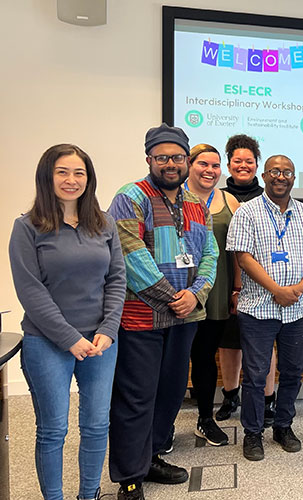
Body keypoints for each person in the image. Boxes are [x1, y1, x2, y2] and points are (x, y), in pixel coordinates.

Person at [107, 124, 218, 500]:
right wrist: (174, 296)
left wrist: (196, 294)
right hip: (141, 318)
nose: (170, 164)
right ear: (149, 160)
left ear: (186, 160)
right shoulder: (130, 196)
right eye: (162, 157)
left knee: (170, 393)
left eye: (176, 157)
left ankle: (152, 456)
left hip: (186, 317)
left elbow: (210, 255)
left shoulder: (196, 204)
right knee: (136, 396)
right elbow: (130, 254)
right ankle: (130, 478)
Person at [9, 144, 126, 500]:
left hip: (101, 343)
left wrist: (107, 330)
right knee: (53, 429)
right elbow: (31, 292)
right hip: (47, 343)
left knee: (96, 426)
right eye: (62, 172)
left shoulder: (104, 223)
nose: (71, 180)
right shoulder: (27, 227)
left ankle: (89, 495)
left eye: (79, 173)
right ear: (47, 176)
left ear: (89, 179)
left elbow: (117, 279)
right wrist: (69, 339)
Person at [226, 154, 303, 461]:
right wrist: (277, 290)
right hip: (258, 308)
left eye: (288, 172)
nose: (281, 177)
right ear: (265, 176)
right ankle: (253, 433)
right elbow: (243, 257)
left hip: (298, 307)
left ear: (294, 178)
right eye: (275, 172)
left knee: (293, 372)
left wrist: (300, 288)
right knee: (255, 375)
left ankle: (283, 426)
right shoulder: (247, 213)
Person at [215, 134, 279, 428]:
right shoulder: (216, 197)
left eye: (249, 161)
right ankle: (231, 396)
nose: (243, 165)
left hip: (263, 284)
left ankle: (268, 400)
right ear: (228, 164)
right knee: (229, 343)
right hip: (225, 281)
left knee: (265, 345)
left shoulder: (270, 197)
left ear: (257, 165)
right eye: (237, 160)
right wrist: (234, 288)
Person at [186, 144, 241, 447]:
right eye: (203, 164)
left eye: (216, 165)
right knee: (178, 359)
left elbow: (237, 251)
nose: (210, 171)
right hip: (181, 291)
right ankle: (163, 424)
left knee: (206, 356)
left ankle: (205, 419)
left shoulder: (229, 200)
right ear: (189, 165)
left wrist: (236, 288)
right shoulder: (174, 196)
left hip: (218, 290)